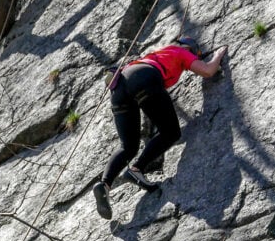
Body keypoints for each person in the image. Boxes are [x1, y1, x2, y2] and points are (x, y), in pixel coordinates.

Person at [93, 36, 227, 219]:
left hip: (119, 87)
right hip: (143, 78)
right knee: (171, 132)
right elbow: (207, 71)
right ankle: (136, 168)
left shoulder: (158, 54)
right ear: (191, 49)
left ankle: (105, 184)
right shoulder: (182, 52)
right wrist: (218, 55)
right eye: (196, 56)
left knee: (128, 146)